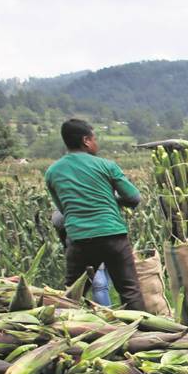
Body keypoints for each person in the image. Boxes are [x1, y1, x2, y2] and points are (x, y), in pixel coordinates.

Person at [44, 118, 145, 311]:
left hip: (79, 240)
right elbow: (133, 197)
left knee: (72, 295)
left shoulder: (52, 172)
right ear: (86, 141)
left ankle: (66, 333)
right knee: (130, 291)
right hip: (112, 235)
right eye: (94, 138)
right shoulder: (106, 166)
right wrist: (113, 201)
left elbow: (64, 210)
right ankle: (146, 334)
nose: (96, 142)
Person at [51, 209, 112, 306]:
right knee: (102, 285)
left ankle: (107, 313)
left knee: (100, 286)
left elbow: (65, 242)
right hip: (107, 239)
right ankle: (107, 311)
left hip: (90, 244)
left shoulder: (60, 215)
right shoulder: (62, 215)